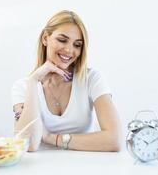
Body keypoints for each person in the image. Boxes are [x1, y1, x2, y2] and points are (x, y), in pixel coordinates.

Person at [11, 10, 122, 152]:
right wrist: (33, 81)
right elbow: (28, 145)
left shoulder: (92, 79)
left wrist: (52, 138)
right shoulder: (23, 87)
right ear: (45, 38)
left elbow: (115, 140)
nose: (69, 50)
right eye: (62, 40)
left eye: (77, 45)